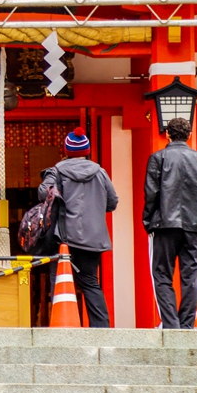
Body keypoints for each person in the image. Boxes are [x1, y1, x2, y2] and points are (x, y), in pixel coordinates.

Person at [38, 127, 119, 328]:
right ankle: (101, 328)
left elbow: (42, 194)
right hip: (93, 238)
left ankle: (61, 325)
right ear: (87, 150)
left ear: (66, 150)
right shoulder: (100, 172)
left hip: (64, 238)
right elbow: (112, 202)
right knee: (90, 281)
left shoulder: (57, 172)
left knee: (59, 282)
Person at [143, 117, 197, 329]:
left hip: (164, 223)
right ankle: (186, 325)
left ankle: (170, 324)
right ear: (189, 135)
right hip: (195, 224)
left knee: (161, 274)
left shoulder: (158, 158)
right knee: (192, 275)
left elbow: (151, 193)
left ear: (167, 134)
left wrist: (149, 220)